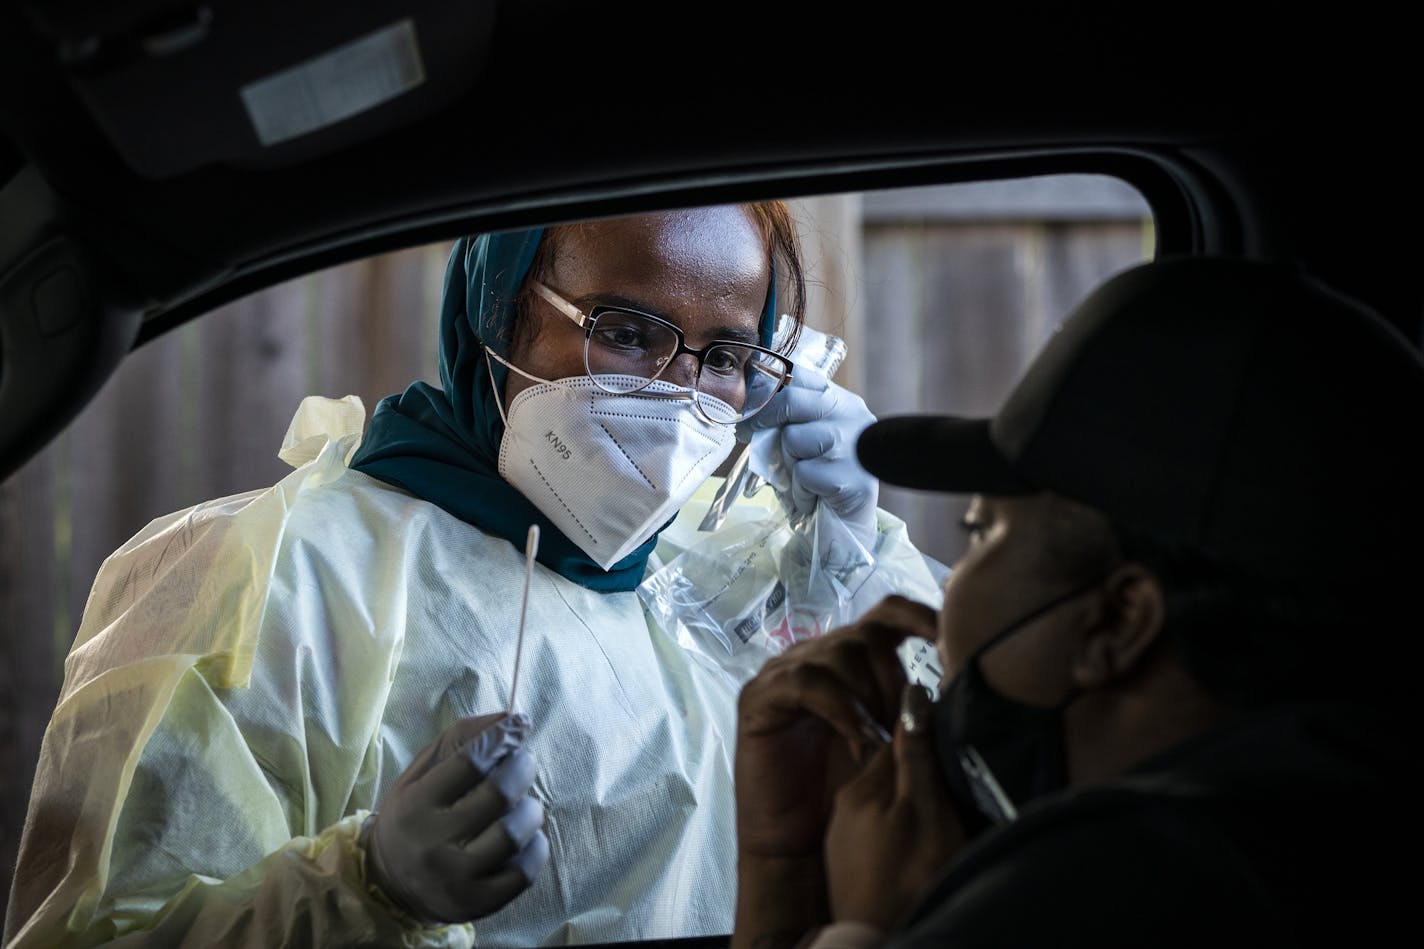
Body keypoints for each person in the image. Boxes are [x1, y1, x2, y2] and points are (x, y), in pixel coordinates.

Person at [4, 202, 936, 948]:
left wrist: (849, 547)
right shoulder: (283, 574)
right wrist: (364, 889)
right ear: (501, 307)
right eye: (628, 330)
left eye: (727, 356)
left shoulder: (723, 566)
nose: (680, 393)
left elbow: (952, 750)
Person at [729, 255, 1420, 949]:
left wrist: (868, 926)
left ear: (1117, 620)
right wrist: (784, 860)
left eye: (983, 533)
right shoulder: (1321, 828)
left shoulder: (1099, 889)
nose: (949, 593)